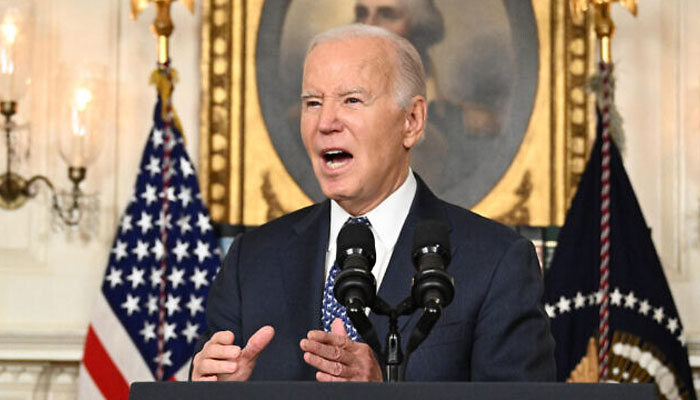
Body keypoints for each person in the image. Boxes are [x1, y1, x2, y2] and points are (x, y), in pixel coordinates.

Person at [191, 24, 555, 382]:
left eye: (351, 100)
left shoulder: (497, 262)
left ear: (412, 121)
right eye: (312, 103)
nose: (326, 122)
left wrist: (386, 392)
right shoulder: (251, 260)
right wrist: (210, 392)